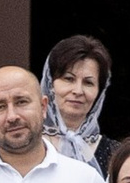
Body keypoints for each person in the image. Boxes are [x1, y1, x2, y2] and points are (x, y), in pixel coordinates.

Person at [41, 31, 113, 163]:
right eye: (69, 79)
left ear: (99, 92)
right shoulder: (29, 147)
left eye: (88, 83)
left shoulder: (115, 153)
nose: (78, 91)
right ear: (50, 84)